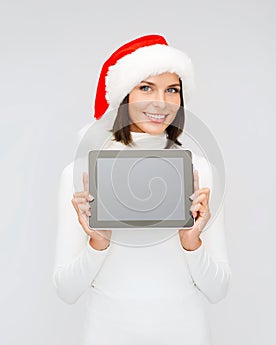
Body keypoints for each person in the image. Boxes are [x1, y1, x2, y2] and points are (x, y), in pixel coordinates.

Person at [53, 34, 231, 345]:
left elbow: (218, 290)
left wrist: (192, 242)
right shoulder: (80, 175)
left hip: (186, 334)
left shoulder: (201, 174)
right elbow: (66, 291)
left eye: (172, 90)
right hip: (107, 334)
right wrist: (98, 242)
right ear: (124, 96)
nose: (160, 102)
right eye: (146, 87)